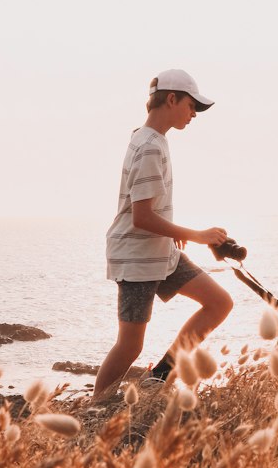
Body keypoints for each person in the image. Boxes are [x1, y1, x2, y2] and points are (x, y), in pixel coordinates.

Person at [92, 70, 233, 400]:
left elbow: (148, 210)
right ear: (171, 99)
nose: (194, 114)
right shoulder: (150, 146)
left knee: (218, 302)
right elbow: (142, 217)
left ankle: (160, 376)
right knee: (130, 345)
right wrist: (196, 235)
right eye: (192, 105)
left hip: (160, 254)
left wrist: (173, 235)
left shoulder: (147, 138)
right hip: (138, 258)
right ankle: (96, 404)